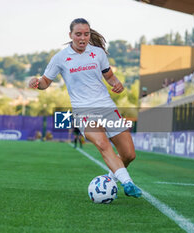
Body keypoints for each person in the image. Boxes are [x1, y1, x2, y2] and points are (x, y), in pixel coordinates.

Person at [29, 18, 142, 198]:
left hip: (106, 107)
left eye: (86, 34)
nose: (83, 38)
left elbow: (110, 76)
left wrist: (116, 83)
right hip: (83, 112)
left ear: (90, 34)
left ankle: (110, 179)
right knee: (103, 144)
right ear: (70, 35)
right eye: (78, 34)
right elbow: (45, 82)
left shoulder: (98, 53)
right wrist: (37, 83)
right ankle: (128, 183)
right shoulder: (60, 58)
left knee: (129, 154)